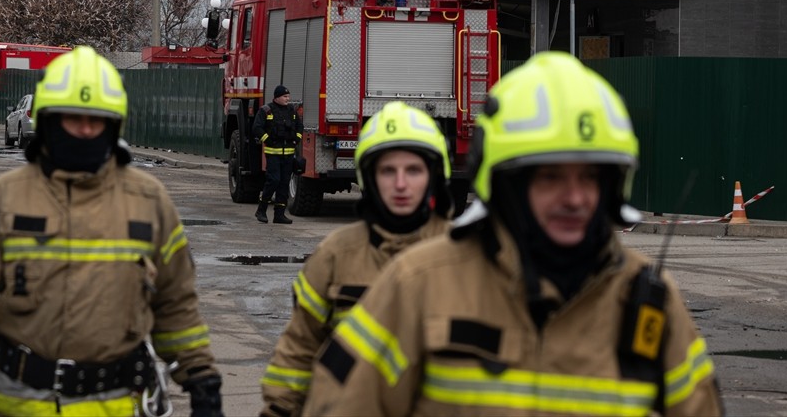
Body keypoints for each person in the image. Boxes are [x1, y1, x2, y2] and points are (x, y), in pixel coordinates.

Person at [303, 52, 722, 416]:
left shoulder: (649, 303)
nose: (574, 198)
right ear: (505, 185)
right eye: (550, 177)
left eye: (591, 177)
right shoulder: (418, 285)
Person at [0, 46, 224, 417]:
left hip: (117, 403)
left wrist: (202, 381)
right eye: (73, 118)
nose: (85, 130)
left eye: (95, 121)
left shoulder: (149, 202)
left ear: (113, 125)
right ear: (50, 121)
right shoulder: (4, 199)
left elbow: (177, 304)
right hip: (15, 404)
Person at [260, 101, 453, 417]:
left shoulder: (464, 256)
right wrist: (279, 410)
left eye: (414, 170)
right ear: (368, 177)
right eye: (388, 171)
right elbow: (300, 348)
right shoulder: (336, 255)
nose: (400, 184)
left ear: (434, 175)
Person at [253, 84, 303, 225]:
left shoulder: (291, 111)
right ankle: (261, 210)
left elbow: (300, 126)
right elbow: (257, 128)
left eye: (288, 96)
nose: (288, 99)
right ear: (277, 97)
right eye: (285, 96)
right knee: (273, 180)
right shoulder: (266, 110)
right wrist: (267, 140)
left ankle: (279, 215)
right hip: (273, 154)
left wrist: (297, 139)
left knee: (284, 183)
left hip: (288, 154)